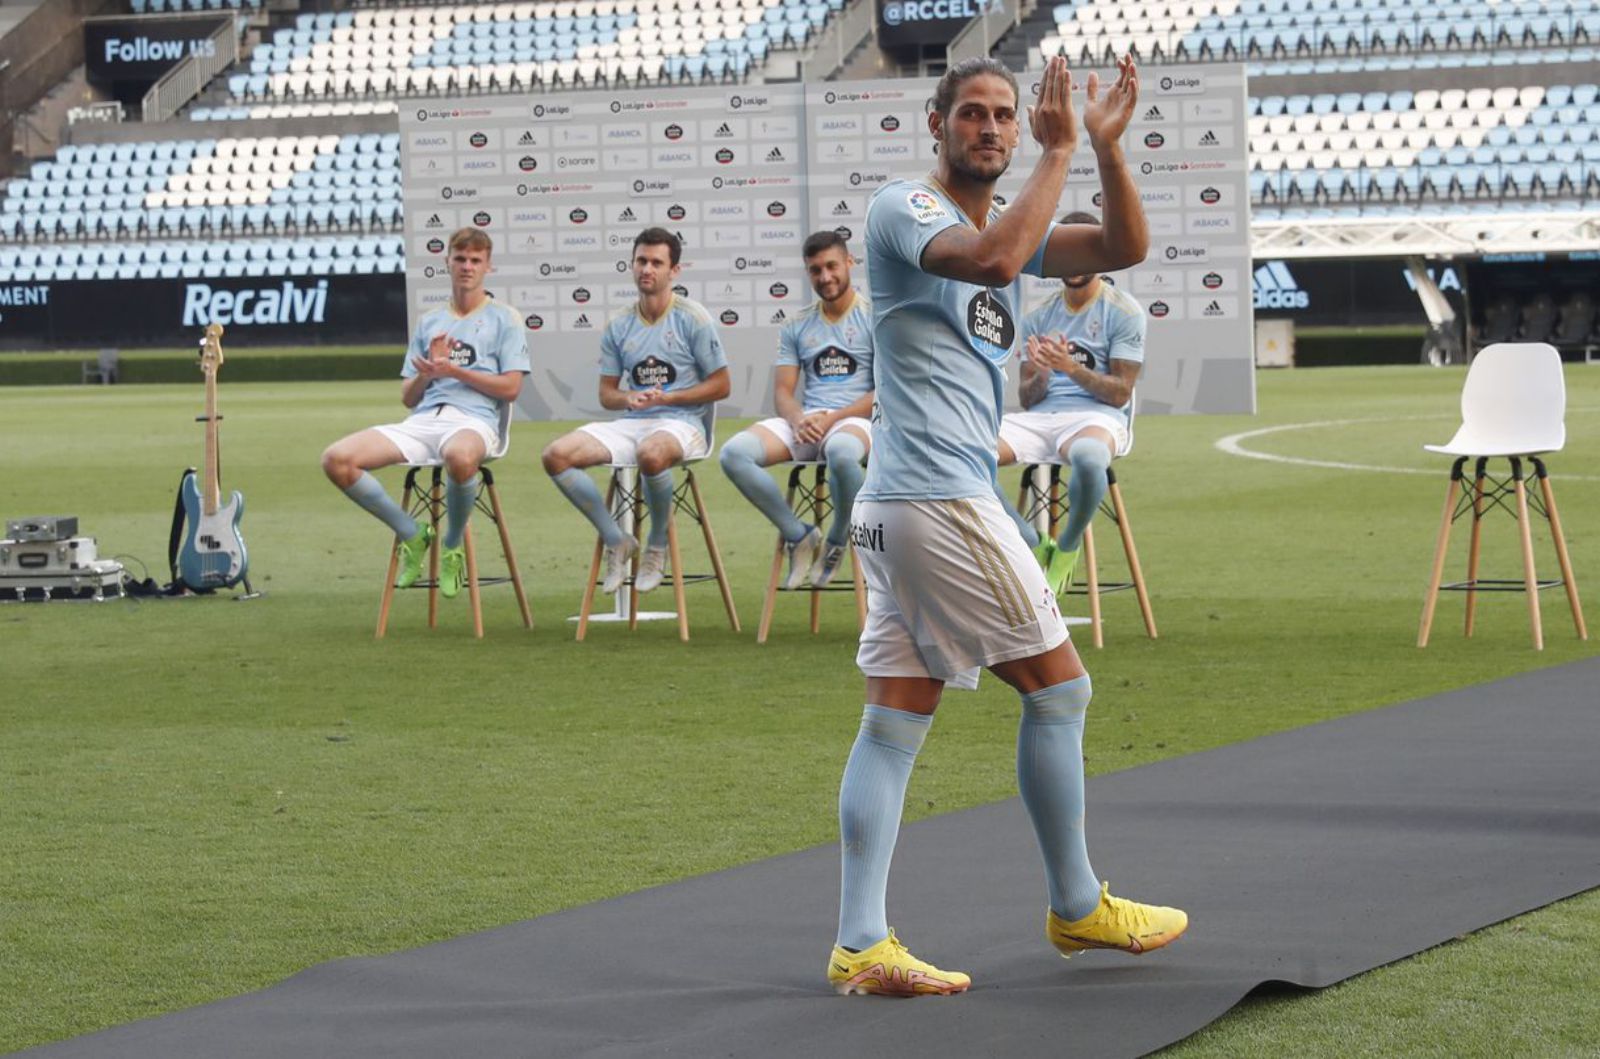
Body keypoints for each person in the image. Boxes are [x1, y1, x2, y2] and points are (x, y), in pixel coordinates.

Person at [826, 55, 1187, 999]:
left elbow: (1123, 247)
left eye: (1002, 117)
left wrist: (1104, 148)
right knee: (1060, 691)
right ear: (935, 123)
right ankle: (1075, 902)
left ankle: (860, 940)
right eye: (972, 115)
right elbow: (988, 261)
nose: (989, 128)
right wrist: (1060, 147)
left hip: (906, 503)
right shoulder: (907, 207)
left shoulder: (1007, 225)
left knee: (893, 720)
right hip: (940, 501)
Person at [320, 226, 529, 599]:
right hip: (423, 420)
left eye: (475, 261)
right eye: (460, 259)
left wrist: (455, 371)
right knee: (336, 460)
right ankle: (412, 534)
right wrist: (427, 372)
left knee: (460, 456)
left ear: (488, 267)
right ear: (447, 262)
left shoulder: (505, 318)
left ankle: (451, 546)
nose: (467, 267)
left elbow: (512, 388)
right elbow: (408, 396)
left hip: (475, 422)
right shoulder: (430, 320)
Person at [541, 228, 731, 595]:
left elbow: (722, 385)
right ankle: (617, 539)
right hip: (633, 422)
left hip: (684, 423)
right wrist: (629, 399)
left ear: (673, 271)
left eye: (657, 263)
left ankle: (656, 546)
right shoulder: (619, 323)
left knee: (651, 454)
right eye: (641, 261)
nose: (647, 269)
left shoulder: (693, 318)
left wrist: (670, 400)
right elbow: (607, 394)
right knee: (556, 456)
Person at [994, 210, 1147, 596]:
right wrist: (1044, 372)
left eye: (1084, 254)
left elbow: (1120, 393)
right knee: (965, 454)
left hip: (1098, 417)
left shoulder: (1124, 311)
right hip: (1043, 419)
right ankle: (1031, 543)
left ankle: (1066, 548)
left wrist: (1071, 369)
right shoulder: (1038, 315)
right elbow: (1028, 399)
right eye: (1068, 255)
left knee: (1090, 458)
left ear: (1099, 256)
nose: (1075, 264)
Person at [719, 231, 874, 590]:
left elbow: (884, 393)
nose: (825, 277)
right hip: (809, 421)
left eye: (832, 266)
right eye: (815, 270)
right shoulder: (796, 324)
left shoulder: (875, 317)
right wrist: (798, 419)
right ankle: (799, 534)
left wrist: (832, 418)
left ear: (849, 263)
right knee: (734, 454)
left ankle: (838, 535)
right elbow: (783, 392)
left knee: (841, 452)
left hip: (856, 420)